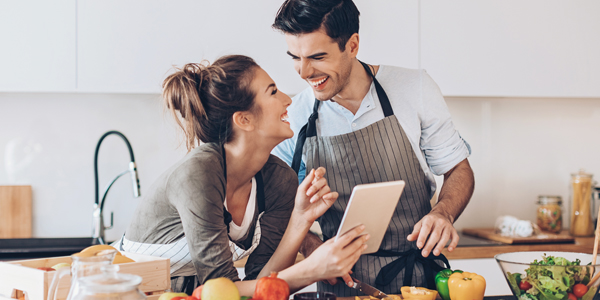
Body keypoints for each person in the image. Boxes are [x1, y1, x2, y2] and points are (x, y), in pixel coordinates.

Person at [271, 0, 475, 296]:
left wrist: (443, 213)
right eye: (295, 57)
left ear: (352, 45)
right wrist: (311, 246)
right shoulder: (297, 112)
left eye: (317, 57)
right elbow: (276, 203)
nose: (303, 72)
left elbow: (458, 168)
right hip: (339, 285)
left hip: (418, 281)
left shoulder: (413, 87)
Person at [117, 55, 368, 296]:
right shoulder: (198, 174)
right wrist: (310, 270)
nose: (287, 100)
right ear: (244, 119)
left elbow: (262, 285)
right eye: (272, 92)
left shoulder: (280, 180)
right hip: (125, 291)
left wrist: (300, 219)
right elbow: (221, 288)